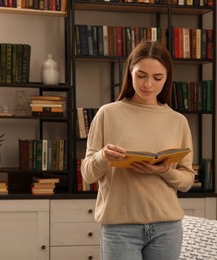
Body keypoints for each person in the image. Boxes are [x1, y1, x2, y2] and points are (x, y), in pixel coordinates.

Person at [81, 40, 195, 260]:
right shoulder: (108, 114)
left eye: (157, 78)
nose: (148, 85)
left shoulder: (178, 121)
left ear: (167, 78)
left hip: (167, 228)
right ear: (130, 71)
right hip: (120, 230)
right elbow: (87, 174)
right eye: (141, 75)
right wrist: (103, 156)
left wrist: (163, 171)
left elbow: (187, 181)